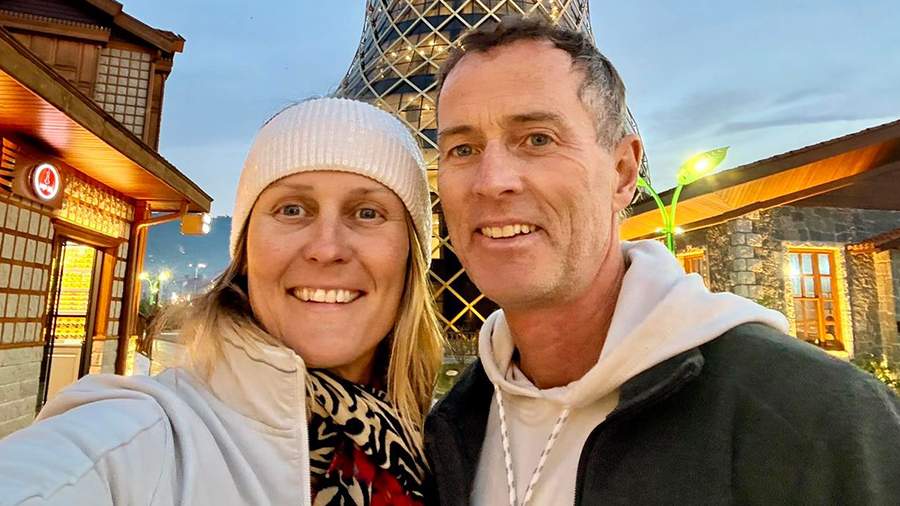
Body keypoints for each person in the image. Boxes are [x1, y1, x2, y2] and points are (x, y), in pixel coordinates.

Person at [425, 15, 900, 506]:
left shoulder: (818, 422)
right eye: (463, 149)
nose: (492, 181)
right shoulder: (449, 429)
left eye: (538, 139)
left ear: (622, 172)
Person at [0, 97, 444, 505]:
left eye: (368, 213)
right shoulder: (140, 440)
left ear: (411, 256)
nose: (327, 248)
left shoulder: (447, 452)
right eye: (292, 209)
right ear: (246, 251)